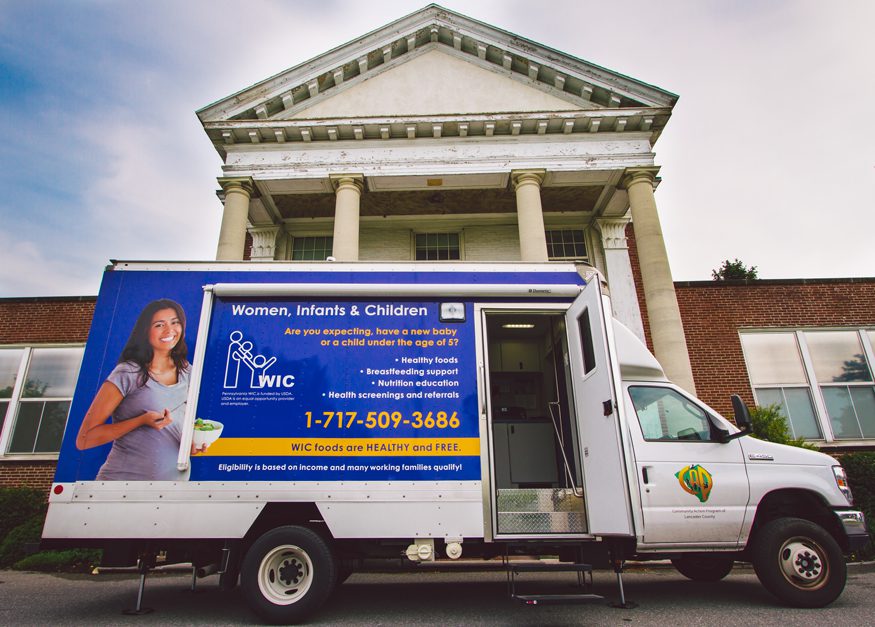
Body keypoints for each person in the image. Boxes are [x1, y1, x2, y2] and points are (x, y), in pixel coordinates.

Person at [76, 299, 205, 480]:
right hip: (121, 488)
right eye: (160, 325)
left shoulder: (187, 372)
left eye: (175, 323)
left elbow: (176, 426)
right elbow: (85, 439)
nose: (169, 331)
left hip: (172, 492)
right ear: (146, 331)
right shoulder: (128, 372)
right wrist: (141, 421)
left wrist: (189, 443)